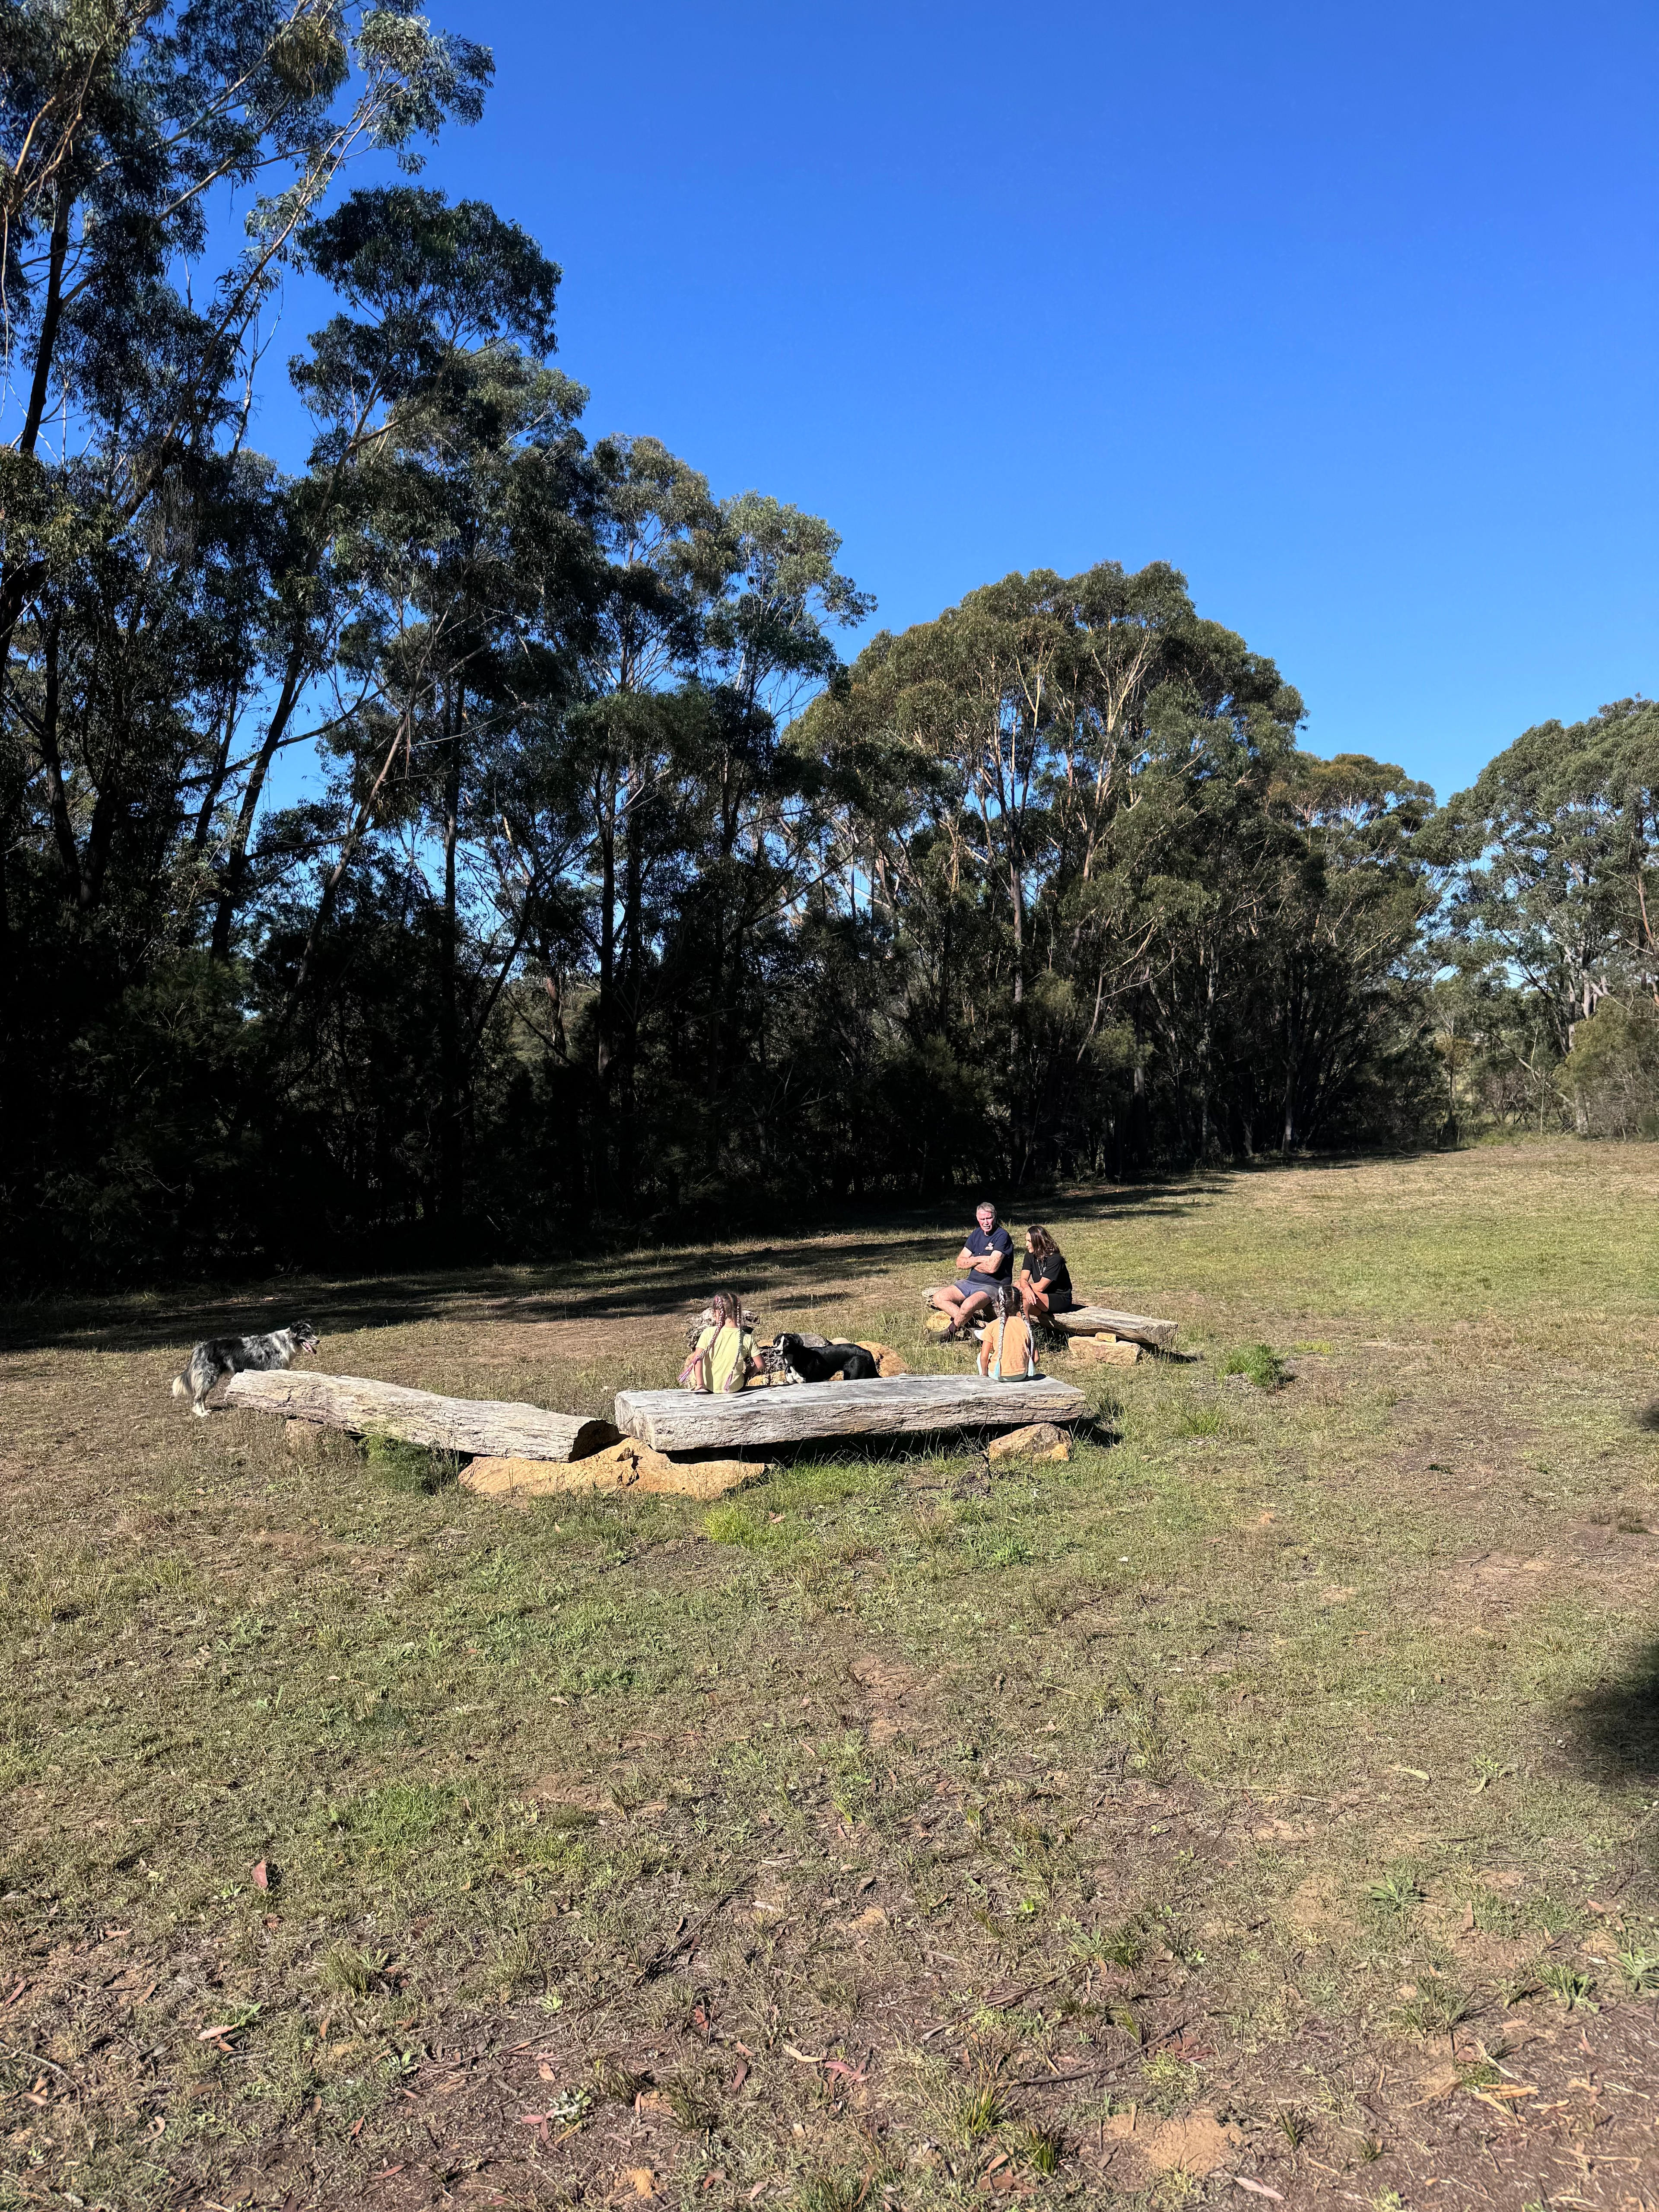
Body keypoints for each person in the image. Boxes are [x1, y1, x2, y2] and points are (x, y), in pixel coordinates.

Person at [929, 1200, 1014, 1338]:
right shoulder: (976, 1235)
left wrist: (971, 1261)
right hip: (971, 1282)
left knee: (968, 1305)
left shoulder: (1002, 1236)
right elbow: (960, 1262)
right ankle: (974, 1328)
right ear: (977, 1219)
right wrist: (980, 1259)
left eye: (989, 1218)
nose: (986, 1222)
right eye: (982, 1219)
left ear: (995, 1217)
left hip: (993, 1285)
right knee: (939, 1297)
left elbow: (993, 1268)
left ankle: (948, 1334)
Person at [678, 1290, 756, 1394]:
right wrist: (748, 1374)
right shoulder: (746, 1337)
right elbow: (760, 1364)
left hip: (710, 1387)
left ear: (716, 1313)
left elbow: (697, 1359)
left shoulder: (708, 1333)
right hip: (734, 1389)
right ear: (739, 1312)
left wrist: (700, 1384)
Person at [1014, 1224, 1074, 1325]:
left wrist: (1023, 1288)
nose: (1026, 1244)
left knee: (1019, 1293)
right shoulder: (1030, 1255)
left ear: (1038, 1241)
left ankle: (1024, 1336)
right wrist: (1027, 1288)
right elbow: (1023, 1279)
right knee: (1023, 1302)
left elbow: (1041, 1287)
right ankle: (1025, 1335)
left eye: (1029, 1241)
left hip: (1059, 1298)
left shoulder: (1055, 1259)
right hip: (1039, 1295)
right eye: (1027, 1241)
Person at [978, 1279, 1037, 1378]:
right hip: (1022, 1375)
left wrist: (985, 1373)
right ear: (1020, 1305)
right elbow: (1036, 1358)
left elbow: (984, 1357)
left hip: (998, 1375)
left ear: (998, 1304)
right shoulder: (1026, 1326)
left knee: (980, 1356)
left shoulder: (993, 1326)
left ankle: (983, 1377)